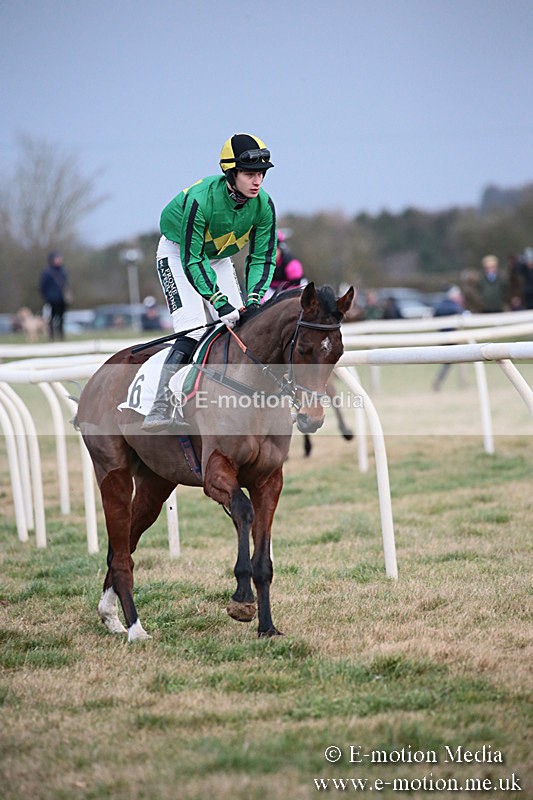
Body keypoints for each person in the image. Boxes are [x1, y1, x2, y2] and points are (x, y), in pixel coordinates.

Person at [142, 133, 277, 431]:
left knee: (239, 325)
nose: (257, 181)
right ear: (231, 173)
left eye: (261, 175)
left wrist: (254, 299)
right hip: (179, 254)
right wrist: (217, 300)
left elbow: (262, 258)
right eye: (249, 174)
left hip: (216, 257)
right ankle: (161, 402)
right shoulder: (199, 201)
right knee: (191, 327)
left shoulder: (264, 205)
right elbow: (192, 259)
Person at [431, 285, 466, 391]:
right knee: (450, 361)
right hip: (451, 337)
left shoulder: (441, 305)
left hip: (444, 337)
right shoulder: (454, 306)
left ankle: (460, 382)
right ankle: (441, 381)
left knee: (450, 361)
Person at [262, 231, 306, 302]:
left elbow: (297, 284)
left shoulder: (291, 263)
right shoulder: (263, 264)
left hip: (295, 286)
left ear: (280, 249)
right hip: (274, 289)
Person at [39, 251, 70, 341]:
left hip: (61, 299)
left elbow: (65, 284)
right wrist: (46, 297)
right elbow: (42, 286)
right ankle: (51, 337)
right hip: (51, 299)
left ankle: (61, 336)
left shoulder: (63, 271)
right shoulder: (47, 272)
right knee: (51, 318)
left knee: (62, 318)